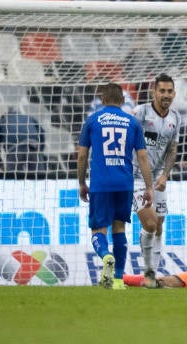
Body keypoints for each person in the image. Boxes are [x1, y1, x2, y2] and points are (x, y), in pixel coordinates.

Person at [78, 82, 153, 290]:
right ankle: (118, 280)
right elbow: (143, 157)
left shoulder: (92, 120)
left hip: (101, 183)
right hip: (124, 183)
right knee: (119, 228)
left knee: (98, 230)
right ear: (122, 101)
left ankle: (105, 255)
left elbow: (82, 155)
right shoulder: (132, 122)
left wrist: (82, 182)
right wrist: (149, 187)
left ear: (102, 100)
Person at [131, 74, 180, 288]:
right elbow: (126, 137)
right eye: (162, 91)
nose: (166, 95)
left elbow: (173, 149)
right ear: (154, 92)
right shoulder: (141, 113)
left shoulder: (176, 118)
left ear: (174, 93)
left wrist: (165, 175)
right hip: (135, 177)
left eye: (170, 91)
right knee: (150, 223)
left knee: (159, 224)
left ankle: (152, 274)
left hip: (158, 178)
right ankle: (148, 271)